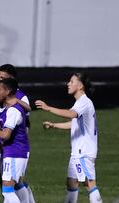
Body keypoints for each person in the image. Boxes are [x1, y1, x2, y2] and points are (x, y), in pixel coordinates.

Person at [35, 73, 102, 203]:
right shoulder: (81, 103)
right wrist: (54, 125)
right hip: (77, 152)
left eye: (71, 81)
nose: (68, 84)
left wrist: (48, 108)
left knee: (89, 184)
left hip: (83, 151)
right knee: (71, 183)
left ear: (80, 85)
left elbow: (71, 114)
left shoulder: (84, 102)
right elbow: (74, 123)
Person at [0, 78, 30, 203]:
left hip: (15, 151)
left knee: (7, 190)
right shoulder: (8, 108)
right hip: (15, 151)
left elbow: (6, 135)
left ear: (7, 92)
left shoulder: (13, 110)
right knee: (16, 186)